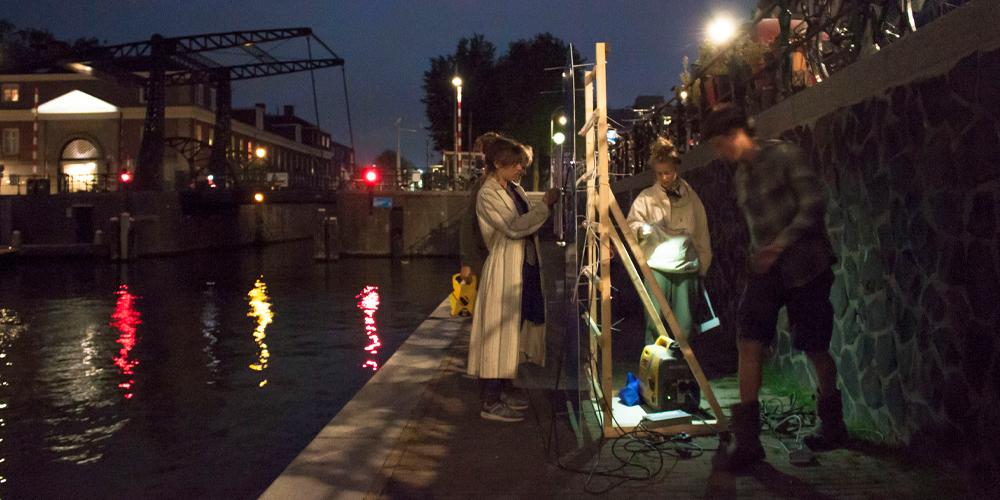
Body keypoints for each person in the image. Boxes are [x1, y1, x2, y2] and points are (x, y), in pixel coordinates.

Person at [702, 104, 846, 471]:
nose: (720, 154)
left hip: (805, 266)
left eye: (721, 145)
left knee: (814, 347)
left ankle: (832, 423)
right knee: (748, 341)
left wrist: (778, 246)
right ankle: (748, 443)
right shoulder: (741, 176)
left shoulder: (784, 155)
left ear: (737, 136)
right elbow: (756, 227)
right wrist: (759, 255)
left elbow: (813, 204)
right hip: (767, 270)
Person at [468, 134, 559, 422]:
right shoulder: (488, 193)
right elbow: (513, 226)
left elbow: (523, 218)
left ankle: (504, 388)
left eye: (520, 164)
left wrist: (541, 208)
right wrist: (545, 206)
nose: (521, 169)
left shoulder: (511, 188)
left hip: (521, 266)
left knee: (514, 329)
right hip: (506, 266)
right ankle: (490, 401)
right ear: (498, 164)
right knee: (498, 332)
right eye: (515, 164)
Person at [627, 137, 712, 353]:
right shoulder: (646, 198)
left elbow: (701, 232)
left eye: (668, 172)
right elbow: (631, 224)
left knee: (684, 323)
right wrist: (643, 229)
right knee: (654, 320)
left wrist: (703, 265)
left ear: (676, 169)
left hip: (686, 264)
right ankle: (655, 368)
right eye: (659, 173)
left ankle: (682, 367)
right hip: (656, 264)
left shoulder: (691, 198)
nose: (665, 178)